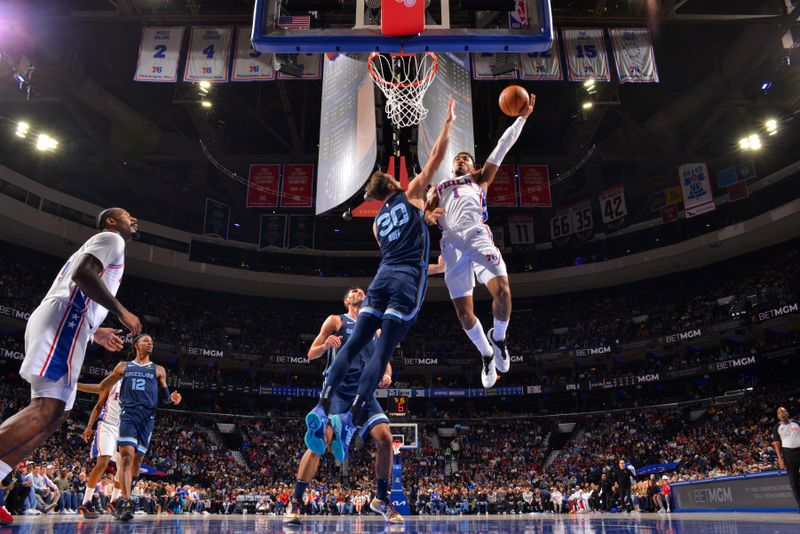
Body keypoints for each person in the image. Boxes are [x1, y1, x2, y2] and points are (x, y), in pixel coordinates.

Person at [306, 98, 454, 465]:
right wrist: (448, 122)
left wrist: (427, 216)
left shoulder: (375, 224)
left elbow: (407, 231)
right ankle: (349, 420)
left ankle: (324, 407)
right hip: (404, 281)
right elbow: (436, 155)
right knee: (384, 350)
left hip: (381, 279)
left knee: (355, 344)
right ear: (393, 182)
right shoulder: (413, 191)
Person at [0, 209, 141, 484]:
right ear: (111, 221)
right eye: (127, 215)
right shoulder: (112, 239)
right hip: (66, 318)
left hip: (73, 322)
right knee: (46, 407)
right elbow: (82, 274)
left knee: (57, 414)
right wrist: (121, 311)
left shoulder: (110, 244)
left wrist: (94, 331)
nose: (133, 218)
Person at [424, 94, 535, 387]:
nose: (461, 161)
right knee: (464, 314)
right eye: (458, 159)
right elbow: (425, 216)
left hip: (477, 235)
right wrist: (430, 215)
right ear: (453, 167)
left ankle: (498, 339)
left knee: (504, 294)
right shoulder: (439, 187)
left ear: (472, 167)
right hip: (451, 244)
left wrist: (521, 119)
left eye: (466, 159)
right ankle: (486, 355)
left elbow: (502, 147)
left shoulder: (480, 179)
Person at [286, 287, 398, 524]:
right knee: (320, 443)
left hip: (364, 392)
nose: (358, 291)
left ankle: (381, 499)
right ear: (348, 300)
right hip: (338, 391)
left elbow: (385, 362)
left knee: (386, 438)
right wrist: (326, 345)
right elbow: (310, 354)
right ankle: (295, 500)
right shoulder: (336, 320)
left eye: (361, 290)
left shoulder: (375, 329)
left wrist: (387, 375)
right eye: (353, 291)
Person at [77, 334, 182, 521]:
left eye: (152, 341)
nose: (150, 343)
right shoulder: (119, 373)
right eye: (145, 340)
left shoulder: (156, 371)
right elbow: (99, 395)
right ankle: (91, 501)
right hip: (113, 423)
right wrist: (89, 423)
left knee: (129, 465)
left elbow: (164, 396)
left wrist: (171, 399)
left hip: (139, 421)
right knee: (108, 460)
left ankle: (116, 500)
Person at [78, 377, 123, 518]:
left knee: (123, 467)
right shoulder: (114, 384)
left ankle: (114, 501)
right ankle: (86, 502)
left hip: (124, 429)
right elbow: (98, 405)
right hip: (107, 425)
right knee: (103, 462)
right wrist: (90, 426)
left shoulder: (136, 388)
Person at [772, 406, 800, 513]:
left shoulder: (796, 423)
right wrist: (780, 459)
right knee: (794, 480)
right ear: (778, 416)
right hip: (789, 454)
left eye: (783, 412)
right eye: (780, 413)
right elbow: (777, 444)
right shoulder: (777, 427)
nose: (782, 414)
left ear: (787, 413)